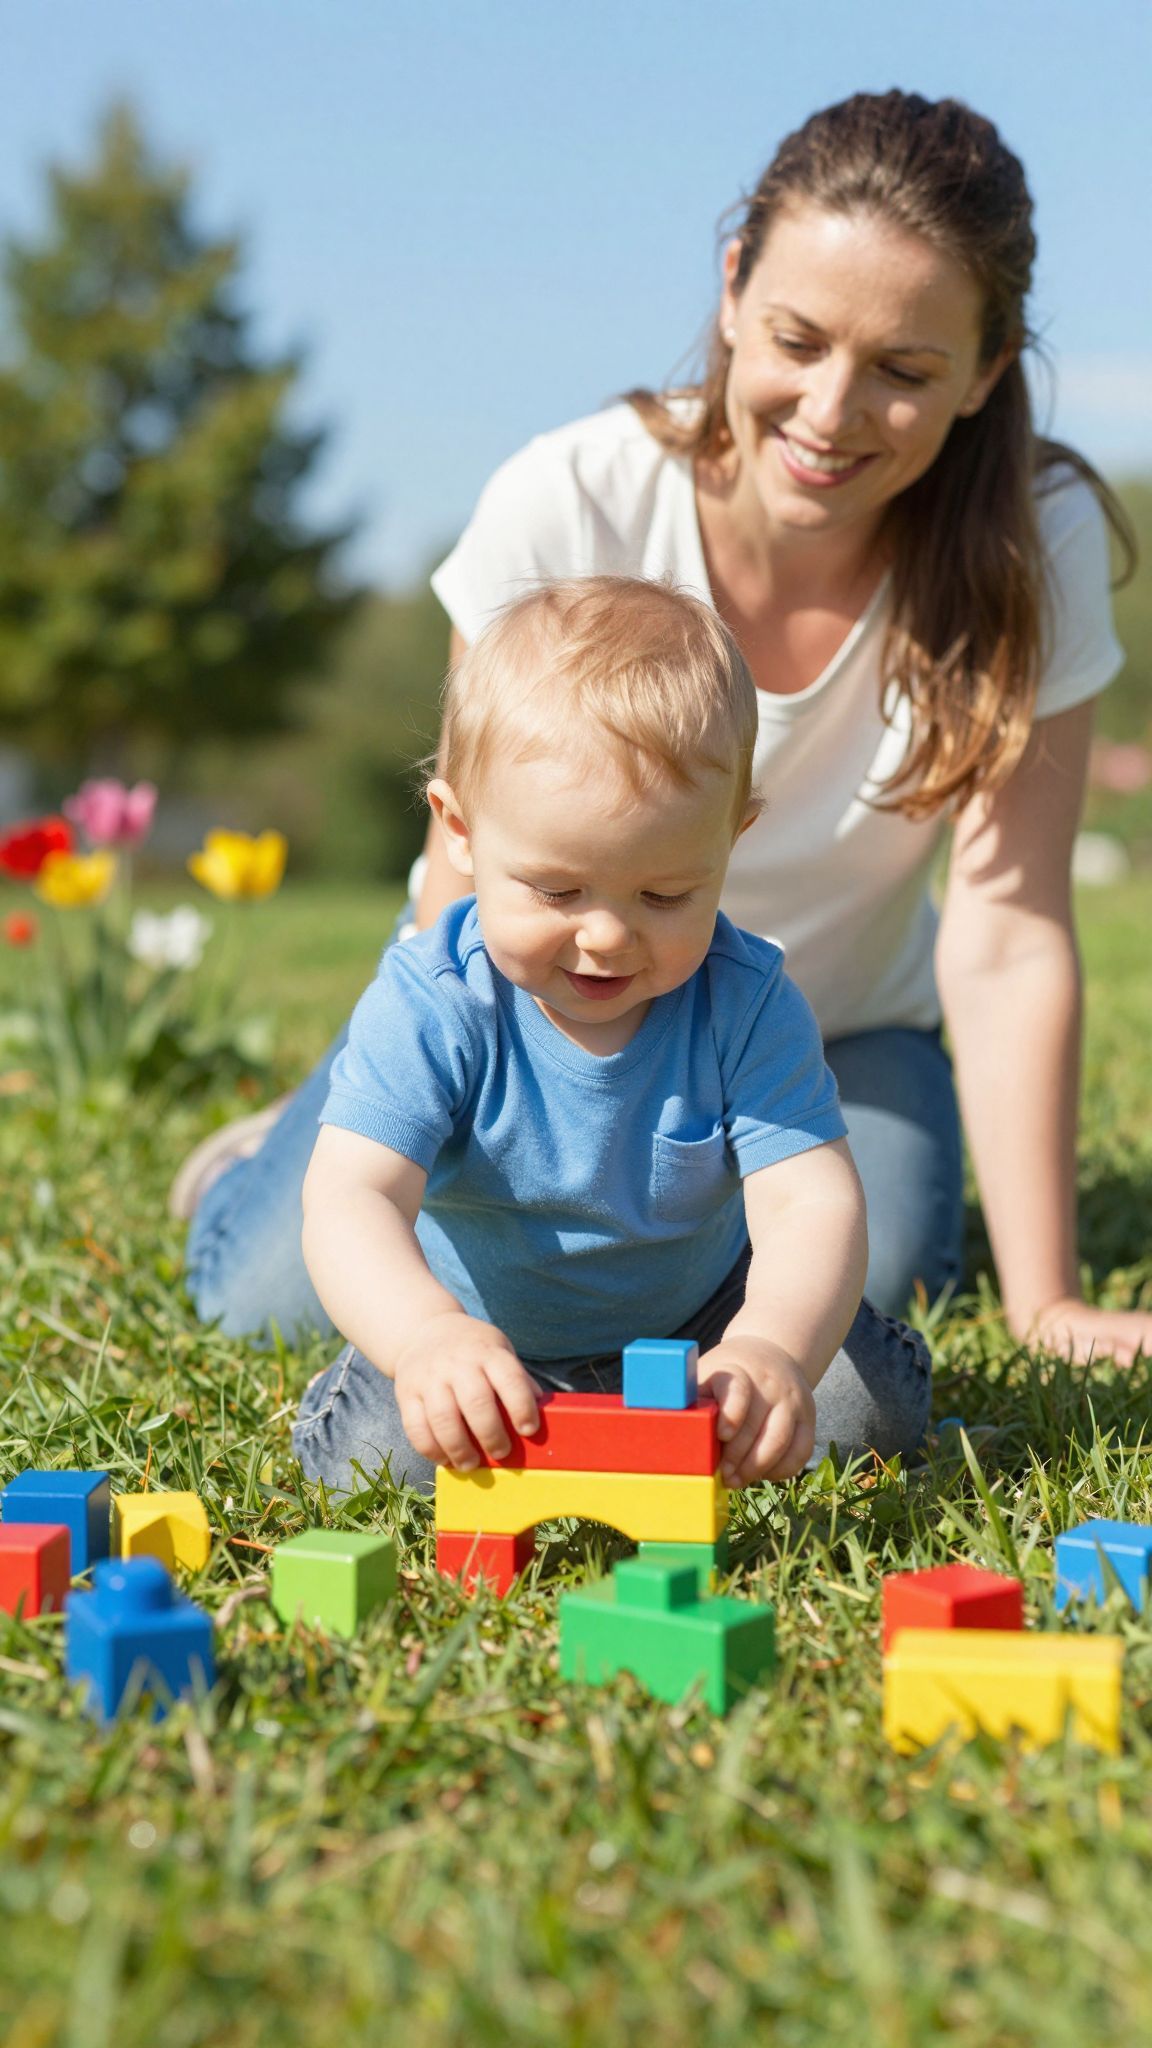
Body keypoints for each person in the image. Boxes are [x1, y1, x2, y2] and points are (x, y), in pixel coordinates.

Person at [181, 89, 1145, 1366]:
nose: (832, 410)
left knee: (869, 1281)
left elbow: (1011, 931)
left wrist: (1049, 1302)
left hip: (832, 1032)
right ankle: (251, 1161)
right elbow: (465, 858)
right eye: (798, 338)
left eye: (905, 371)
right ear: (735, 285)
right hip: (535, 1014)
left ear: (987, 369)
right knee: (285, 1295)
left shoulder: (1036, 543)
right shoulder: (566, 500)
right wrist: (443, 1099)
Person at [292, 576, 929, 1497]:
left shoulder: (744, 1002)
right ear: (461, 833)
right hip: (485, 1340)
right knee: (379, 1461)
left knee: (863, 1415)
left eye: (665, 895)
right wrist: (427, 1337)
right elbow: (352, 1198)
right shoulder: (434, 1002)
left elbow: (810, 1206)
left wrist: (769, 1348)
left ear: (732, 840)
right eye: (556, 890)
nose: (605, 935)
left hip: (702, 1331)